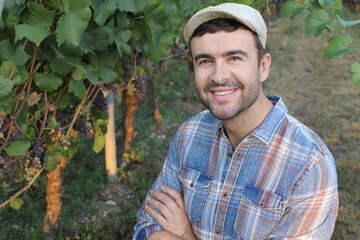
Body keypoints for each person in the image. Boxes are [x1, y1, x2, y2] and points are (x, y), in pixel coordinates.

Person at [133, 3, 339, 240]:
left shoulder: (310, 166)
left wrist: (185, 235)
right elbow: (148, 228)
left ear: (263, 67)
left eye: (234, 58)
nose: (219, 76)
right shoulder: (188, 135)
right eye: (205, 61)